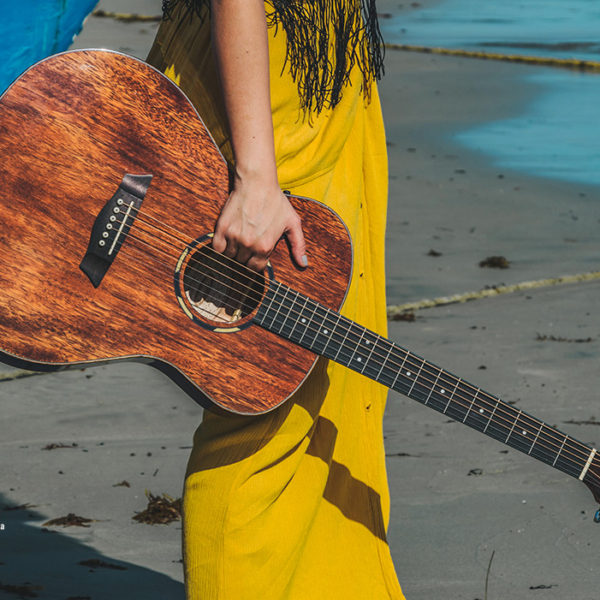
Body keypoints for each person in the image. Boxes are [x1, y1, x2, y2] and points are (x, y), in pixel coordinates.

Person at [148, 1, 404, 597]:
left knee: (335, 394)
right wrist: (256, 177)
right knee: (264, 399)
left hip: (315, 67)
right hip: (272, 89)